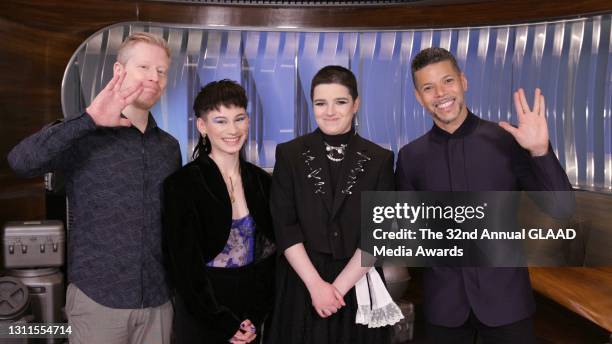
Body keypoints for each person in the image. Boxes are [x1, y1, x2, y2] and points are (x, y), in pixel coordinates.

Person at [7, 32, 180, 343]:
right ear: (119, 71)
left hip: (158, 303)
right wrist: (88, 120)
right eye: (144, 67)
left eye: (162, 71)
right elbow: (20, 162)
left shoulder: (169, 147)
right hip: (98, 301)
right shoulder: (82, 134)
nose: (154, 77)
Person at [395, 47, 573, 343]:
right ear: (419, 97)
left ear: (463, 82)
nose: (440, 93)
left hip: (508, 306)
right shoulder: (410, 157)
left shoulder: (508, 140)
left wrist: (540, 151)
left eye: (448, 81)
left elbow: (561, 208)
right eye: (428, 87)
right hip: (444, 311)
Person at [267, 65, 400, 344]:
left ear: (356, 104)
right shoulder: (289, 154)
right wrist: (317, 287)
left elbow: (378, 233)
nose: (330, 111)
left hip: (357, 282)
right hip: (304, 283)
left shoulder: (380, 159)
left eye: (340, 102)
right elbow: (285, 226)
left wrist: (336, 290)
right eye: (320, 103)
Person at [162, 79, 276, 344]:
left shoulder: (263, 182)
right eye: (220, 121)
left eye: (239, 119)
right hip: (202, 315)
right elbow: (183, 268)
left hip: (252, 315)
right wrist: (222, 322)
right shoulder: (181, 185)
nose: (232, 129)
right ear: (202, 126)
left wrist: (254, 317)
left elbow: (271, 258)